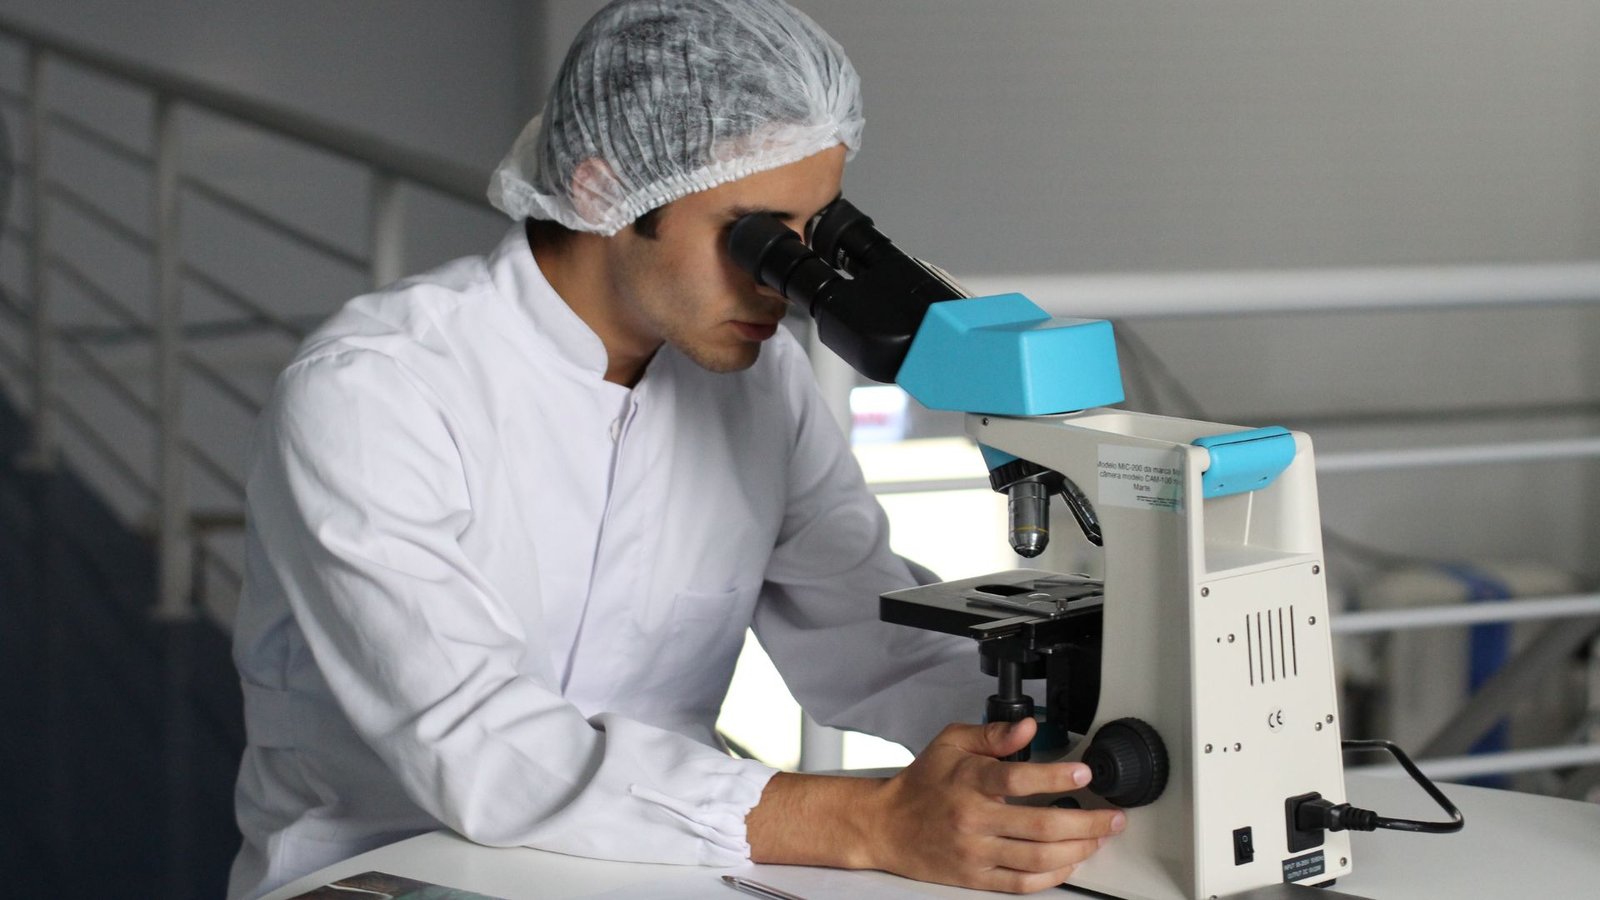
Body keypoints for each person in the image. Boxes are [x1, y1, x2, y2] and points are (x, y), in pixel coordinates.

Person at [227, 2, 1123, 898]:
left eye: (812, 237)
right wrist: (870, 823)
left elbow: (871, 639)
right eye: (756, 237)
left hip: (664, 866)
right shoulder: (377, 390)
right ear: (601, 191)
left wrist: (1052, 748)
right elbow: (472, 745)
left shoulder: (756, 386)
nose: (785, 286)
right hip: (390, 867)